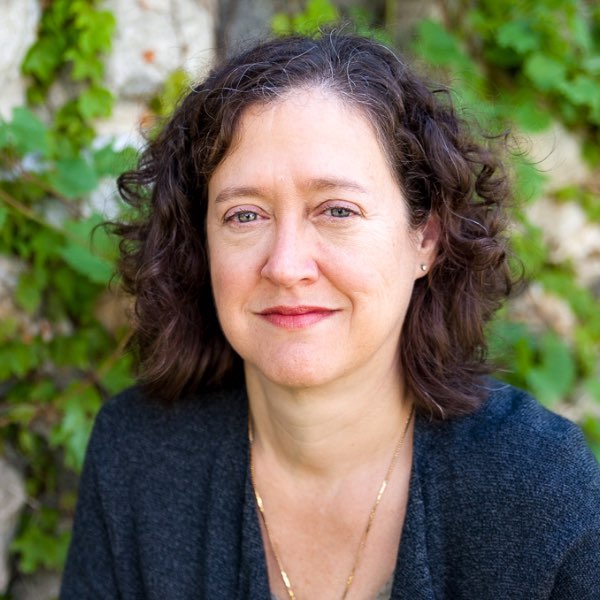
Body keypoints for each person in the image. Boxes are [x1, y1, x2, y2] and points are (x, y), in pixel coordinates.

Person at [60, 31, 600, 600]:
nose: (286, 265)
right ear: (202, 243)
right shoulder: (137, 459)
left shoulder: (538, 486)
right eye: (245, 216)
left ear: (426, 237)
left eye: (337, 210)